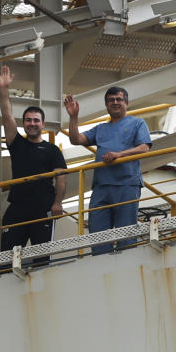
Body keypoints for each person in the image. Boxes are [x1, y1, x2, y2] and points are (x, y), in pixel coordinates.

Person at [64, 88, 151, 254]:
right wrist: (73, 117)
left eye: (119, 99)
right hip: (101, 187)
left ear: (126, 103)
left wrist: (119, 154)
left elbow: (144, 147)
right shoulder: (100, 128)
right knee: (98, 236)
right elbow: (76, 139)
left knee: (126, 234)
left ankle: (126, 268)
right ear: (106, 105)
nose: (115, 102)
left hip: (126, 185)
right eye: (111, 100)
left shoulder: (137, 123)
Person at [0, 65, 66, 252]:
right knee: (7, 258)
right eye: (28, 120)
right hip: (17, 208)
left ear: (43, 124)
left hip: (42, 209)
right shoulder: (16, 142)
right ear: (24, 123)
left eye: (36, 120)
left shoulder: (52, 150)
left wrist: (57, 203)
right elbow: (6, 114)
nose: (32, 123)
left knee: (42, 258)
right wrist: (4, 89)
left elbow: (61, 177)